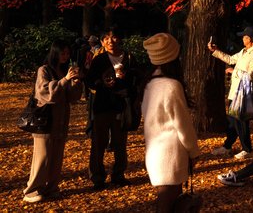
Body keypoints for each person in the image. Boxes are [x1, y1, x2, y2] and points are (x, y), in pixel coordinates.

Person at [142, 33, 200, 212]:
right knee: (168, 205)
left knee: (167, 203)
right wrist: (193, 151)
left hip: (154, 153)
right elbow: (182, 125)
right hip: (171, 154)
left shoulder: (149, 85)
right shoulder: (172, 86)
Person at [23, 40, 84, 203]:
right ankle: (32, 190)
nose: (65, 56)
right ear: (55, 53)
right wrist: (65, 80)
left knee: (57, 156)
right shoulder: (44, 70)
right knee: (42, 157)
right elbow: (44, 93)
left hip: (61, 121)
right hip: (45, 120)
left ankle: (51, 187)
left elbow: (72, 97)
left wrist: (76, 83)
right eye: (62, 53)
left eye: (67, 53)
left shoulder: (64, 70)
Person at [86, 27, 140, 189]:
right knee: (98, 143)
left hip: (121, 106)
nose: (110, 41)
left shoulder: (129, 58)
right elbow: (89, 81)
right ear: (102, 42)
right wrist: (102, 83)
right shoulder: (99, 59)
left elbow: (138, 80)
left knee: (120, 142)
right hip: (102, 105)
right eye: (106, 38)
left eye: (113, 37)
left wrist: (127, 76)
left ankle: (118, 175)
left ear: (120, 39)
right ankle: (97, 178)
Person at [208, 26, 253, 160]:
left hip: (245, 94)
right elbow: (230, 59)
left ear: (249, 39)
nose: (242, 39)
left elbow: (251, 75)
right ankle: (227, 147)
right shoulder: (244, 51)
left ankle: (247, 149)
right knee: (233, 121)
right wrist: (216, 51)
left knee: (241, 122)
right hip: (236, 92)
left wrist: (234, 72)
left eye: (244, 37)